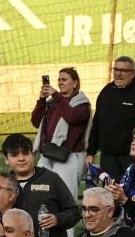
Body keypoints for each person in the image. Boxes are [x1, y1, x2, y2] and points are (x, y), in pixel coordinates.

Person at [86, 55, 135, 180]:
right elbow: (97, 124)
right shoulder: (106, 92)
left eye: (123, 71)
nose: (118, 74)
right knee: (110, 195)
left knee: (132, 195)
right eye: (116, 69)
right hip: (108, 158)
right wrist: (91, 152)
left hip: (132, 157)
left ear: (132, 73)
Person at [30, 66, 91, 197]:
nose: (60, 82)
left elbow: (72, 117)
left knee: (65, 196)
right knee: (41, 192)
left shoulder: (81, 103)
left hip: (69, 156)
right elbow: (36, 122)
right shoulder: (52, 102)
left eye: (64, 79)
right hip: (48, 153)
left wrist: (56, 96)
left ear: (75, 83)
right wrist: (41, 100)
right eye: (58, 79)